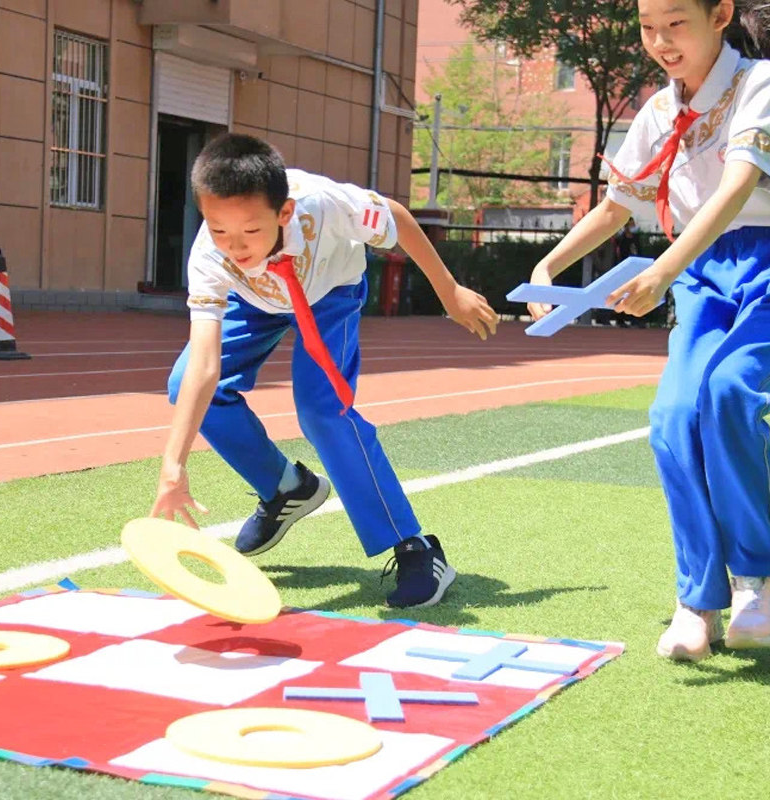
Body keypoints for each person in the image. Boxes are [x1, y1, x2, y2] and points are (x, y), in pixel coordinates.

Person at [150, 133, 498, 609]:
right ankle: (285, 488)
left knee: (321, 410)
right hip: (256, 303)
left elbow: (396, 217)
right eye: (218, 229)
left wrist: (449, 290)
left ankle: (415, 549)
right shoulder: (212, 255)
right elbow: (205, 362)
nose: (235, 246)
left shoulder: (325, 205)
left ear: (285, 213)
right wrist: (174, 463)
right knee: (185, 384)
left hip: (329, 291)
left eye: (251, 231)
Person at [527, 0, 770, 661]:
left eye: (675, 23)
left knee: (730, 396)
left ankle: (756, 579)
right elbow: (618, 205)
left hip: (763, 263)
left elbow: (737, 185)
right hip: (700, 276)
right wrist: (552, 261)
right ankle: (697, 600)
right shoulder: (659, 113)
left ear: (720, 14)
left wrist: (663, 269)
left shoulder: (759, 83)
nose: (660, 41)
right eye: (646, 27)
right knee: (670, 416)